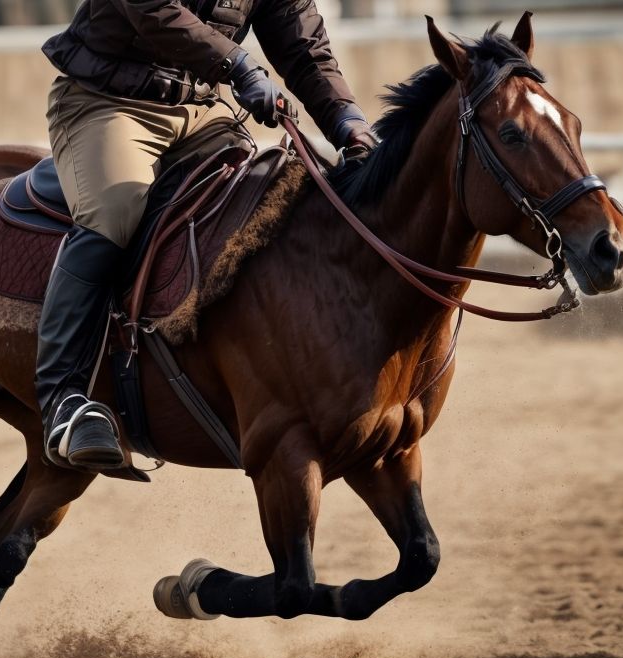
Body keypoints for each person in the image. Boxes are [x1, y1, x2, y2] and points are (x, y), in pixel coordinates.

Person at [36, 0, 377, 470]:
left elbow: (303, 46)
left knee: (265, 200)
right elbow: (154, 10)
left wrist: (348, 123)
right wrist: (239, 66)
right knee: (112, 215)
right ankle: (63, 400)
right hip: (106, 102)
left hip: (199, 110)